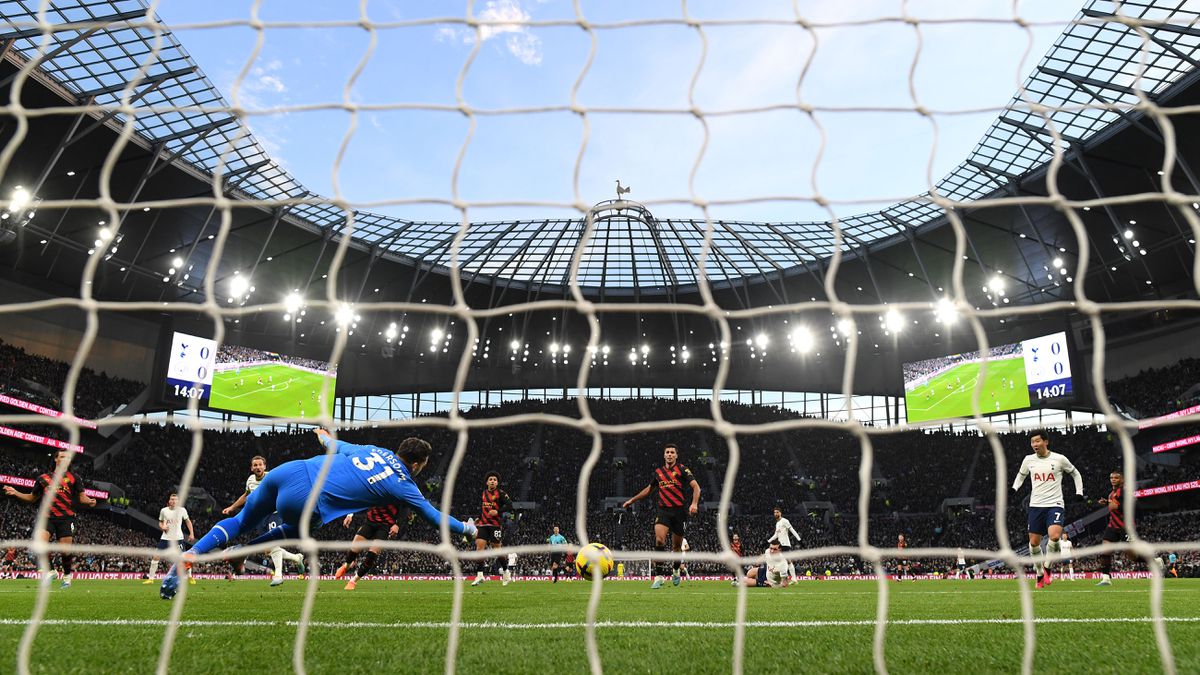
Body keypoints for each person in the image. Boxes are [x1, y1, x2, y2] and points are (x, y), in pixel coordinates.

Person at [161, 429, 477, 599]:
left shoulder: (373, 450)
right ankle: (244, 550)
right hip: (308, 499)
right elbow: (433, 516)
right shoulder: (403, 483)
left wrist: (322, 435)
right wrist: (468, 529)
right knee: (298, 532)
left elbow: (335, 445)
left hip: (290, 471)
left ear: (399, 450)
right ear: (418, 464)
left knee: (241, 520)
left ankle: (193, 554)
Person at [2, 449, 97, 589]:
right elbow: (32, 498)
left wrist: (90, 501)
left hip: (66, 518)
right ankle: (51, 571)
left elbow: (82, 498)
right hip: (47, 517)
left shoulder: (74, 478)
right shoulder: (43, 478)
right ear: (56, 459)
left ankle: (67, 576)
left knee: (65, 551)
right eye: (63, 456)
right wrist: (16, 492)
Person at [1012, 429, 1084, 589]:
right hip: (1036, 505)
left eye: (1037, 441)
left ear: (1046, 442)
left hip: (1055, 504)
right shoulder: (1028, 460)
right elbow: (1021, 475)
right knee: (1034, 542)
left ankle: (1047, 567)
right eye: (1032, 442)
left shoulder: (1059, 459)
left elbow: (1076, 474)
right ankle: (1039, 573)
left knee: (1055, 536)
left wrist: (1079, 492)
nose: (1034, 444)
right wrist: (1014, 488)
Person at [622, 443, 701, 589]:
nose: (670, 454)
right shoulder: (658, 472)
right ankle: (659, 576)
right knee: (659, 540)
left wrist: (694, 503)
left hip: (679, 512)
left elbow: (696, 486)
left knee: (677, 548)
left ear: (676, 455)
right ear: (664, 455)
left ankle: (676, 570)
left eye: (672, 452)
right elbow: (649, 489)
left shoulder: (683, 469)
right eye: (667, 452)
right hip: (663, 511)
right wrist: (632, 500)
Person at [221, 455, 306, 584]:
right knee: (268, 550)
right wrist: (232, 507)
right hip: (260, 517)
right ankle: (296, 558)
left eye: (260, 464)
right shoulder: (250, 480)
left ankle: (278, 575)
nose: (258, 467)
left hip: (274, 513)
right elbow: (246, 495)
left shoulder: (272, 477)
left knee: (273, 543)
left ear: (265, 466)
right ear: (251, 468)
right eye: (255, 465)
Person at [335, 505, 401, 591]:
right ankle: (346, 566)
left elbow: (405, 506)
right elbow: (359, 497)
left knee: (373, 554)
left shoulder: (397, 492)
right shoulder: (374, 491)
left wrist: (397, 524)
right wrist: (350, 515)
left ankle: (353, 581)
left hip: (385, 526)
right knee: (355, 548)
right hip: (370, 522)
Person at [471, 471, 514, 587]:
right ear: (487, 482)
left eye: (495, 480)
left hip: (495, 525)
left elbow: (510, 505)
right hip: (483, 525)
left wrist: (498, 511)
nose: (493, 481)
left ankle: (506, 572)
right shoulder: (483, 493)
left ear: (497, 482)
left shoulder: (501, 493)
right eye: (490, 479)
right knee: (479, 548)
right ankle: (480, 575)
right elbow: (484, 509)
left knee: (497, 550)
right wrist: (478, 518)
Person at [145, 493, 194, 585]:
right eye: (172, 499)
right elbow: (160, 522)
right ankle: (151, 579)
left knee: (184, 558)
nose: (173, 501)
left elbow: (188, 521)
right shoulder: (164, 511)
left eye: (175, 499)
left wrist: (191, 533)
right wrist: (162, 527)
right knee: (156, 556)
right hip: (165, 538)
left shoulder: (182, 510)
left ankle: (190, 577)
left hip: (178, 538)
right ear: (169, 501)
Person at [1095, 471, 1131, 587]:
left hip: (1125, 527)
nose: (1113, 479)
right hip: (1112, 526)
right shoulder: (1111, 494)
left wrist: (1119, 506)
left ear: (1122, 479)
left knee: (1133, 556)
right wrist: (1107, 503)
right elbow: (1113, 505)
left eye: (1116, 477)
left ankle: (1155, 561)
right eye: (1111, 477)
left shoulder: (1125, 491)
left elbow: (1132, 506)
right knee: (1105, 549)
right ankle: (1106, 578)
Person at [768, 507, 801, 582]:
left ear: (780, 513)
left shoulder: (785, 521)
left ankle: (790, 578)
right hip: (780, 545)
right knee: (785, 561)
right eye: (774, 512)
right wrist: (768, 541)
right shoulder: (777, 523)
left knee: (786, 561)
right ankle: (792, 578)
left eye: (777, 512)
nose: (775, 514)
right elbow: (776, 535)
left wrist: (799, 540)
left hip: (785, 544)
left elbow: (792, 530)